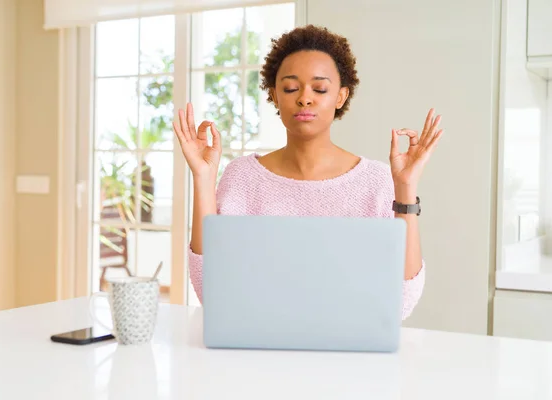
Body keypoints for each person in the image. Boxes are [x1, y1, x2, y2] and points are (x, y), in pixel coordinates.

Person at [172, 24, 443, 320]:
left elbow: (402, 301)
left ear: (340, 96)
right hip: (258, 349)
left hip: (349, 351)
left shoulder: (375, 181)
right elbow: (210, 291)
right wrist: (203, 177)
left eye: (320, 88)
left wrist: (405, 186)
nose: (304, 98)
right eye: (290, 88)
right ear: (274, 95)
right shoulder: (242, 178)